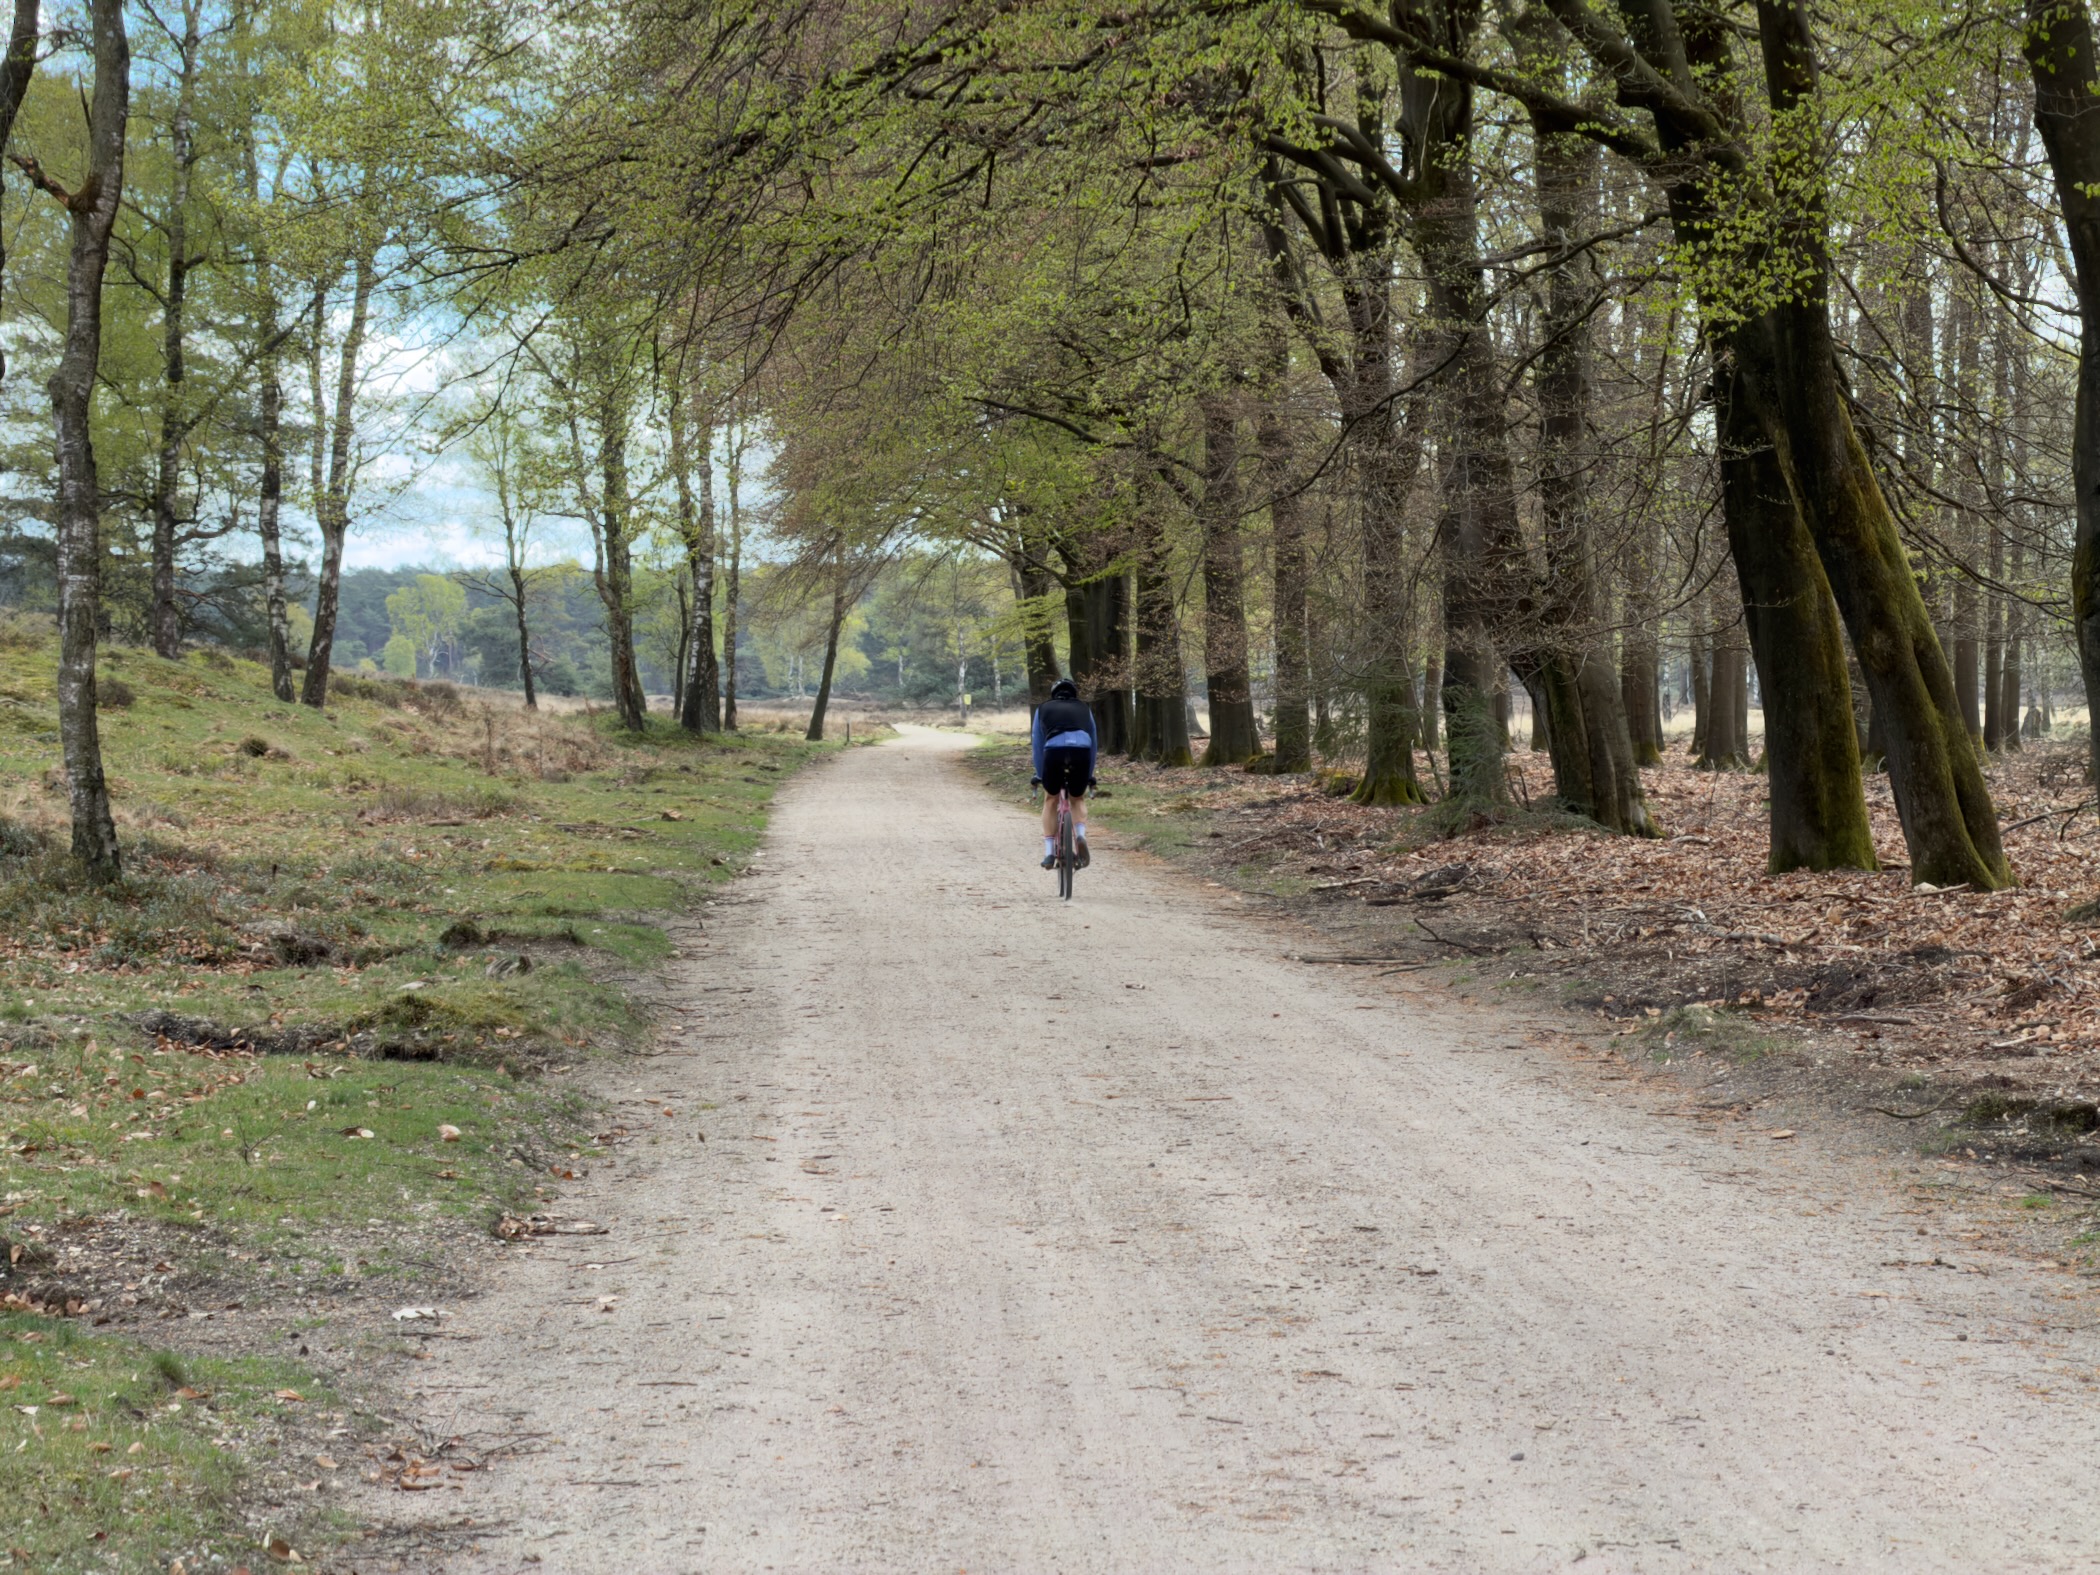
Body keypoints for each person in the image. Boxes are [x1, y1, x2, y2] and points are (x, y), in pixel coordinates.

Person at [1030, 677, 1096, 870]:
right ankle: (1081, 834)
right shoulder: (1085, 708)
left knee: (1050, 798)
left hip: (1054, 752)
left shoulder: (1043, 708)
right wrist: (1089, 775)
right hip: (1082, 752)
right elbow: (1094, 744)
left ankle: (1049, 852)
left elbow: (1037, 743)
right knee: (1078, 798)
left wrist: (1040, 773)